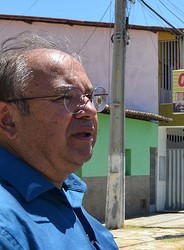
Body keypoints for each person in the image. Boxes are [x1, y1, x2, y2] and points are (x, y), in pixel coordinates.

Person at [0, 32, 118, 249]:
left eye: (90, 97)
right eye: (65, 97)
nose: (90, 110)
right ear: (8, 120)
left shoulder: (65, 196)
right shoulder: (6, 229)